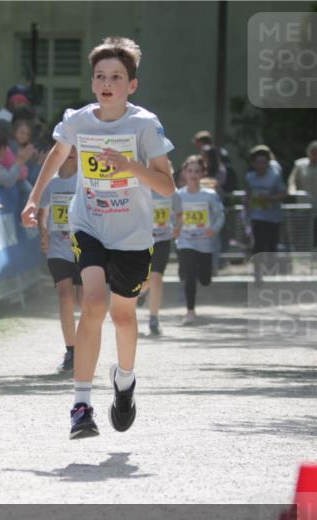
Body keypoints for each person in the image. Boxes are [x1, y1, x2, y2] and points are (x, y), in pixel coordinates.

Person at [22, 36, 176, 440]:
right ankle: (81, 405)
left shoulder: (144, 124)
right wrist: (34, 199)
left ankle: (124, 382)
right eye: (100, 76)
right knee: (91, 303)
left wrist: (129, 166)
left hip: (132, 234)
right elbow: (56, 157)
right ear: (93, 83)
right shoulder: (78, 120)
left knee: (123, 316)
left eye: (116, 77)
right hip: (88, 224)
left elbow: (167, 187)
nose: (107, 83)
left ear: (132, 85)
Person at [36, 146, 81, 373]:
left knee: (85, 301)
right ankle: (71, 350)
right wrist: (43, 233)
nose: (71, 151)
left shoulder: (85, 181)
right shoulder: (51, 184)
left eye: (76, 147)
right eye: (67, 147)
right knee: (64, 293)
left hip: (84, 247)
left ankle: (84, 345)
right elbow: (41, 213)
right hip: (58, 246)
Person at [174, 154, 224, 325]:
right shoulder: (178, 196)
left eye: (197, 171)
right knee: (189, 275)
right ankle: (190, 311)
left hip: (205, 242)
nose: (193, 174)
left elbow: (220, 215)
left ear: (203, 173)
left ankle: (199, 273)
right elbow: (172, 217)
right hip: (185, 240)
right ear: (184, 174)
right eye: (190, 171)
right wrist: (174, 228)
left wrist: (214, 229)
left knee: (205, 279)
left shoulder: (209, 195)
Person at [143, 188, 182, 335]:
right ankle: (142, 293)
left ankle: (154, 319)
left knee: (156, 278)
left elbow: (180, 215)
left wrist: (178, 227)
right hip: (142, 241)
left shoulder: (172, 192)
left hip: (162, 241)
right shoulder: (140, 188)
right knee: (145, 281)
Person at [244, 144, 288, 277]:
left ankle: (270, 271)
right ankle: (258, 272)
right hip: (257, 215)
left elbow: (283, 193)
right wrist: (246, 212)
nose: (261, 165)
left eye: (264, 162)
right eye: (258, 162)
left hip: (273, 216)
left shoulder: (275, 175)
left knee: (271, 245)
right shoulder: (249, 177)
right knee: (258, 243)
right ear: (253, 163)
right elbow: (248, 195)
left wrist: (270, 198)